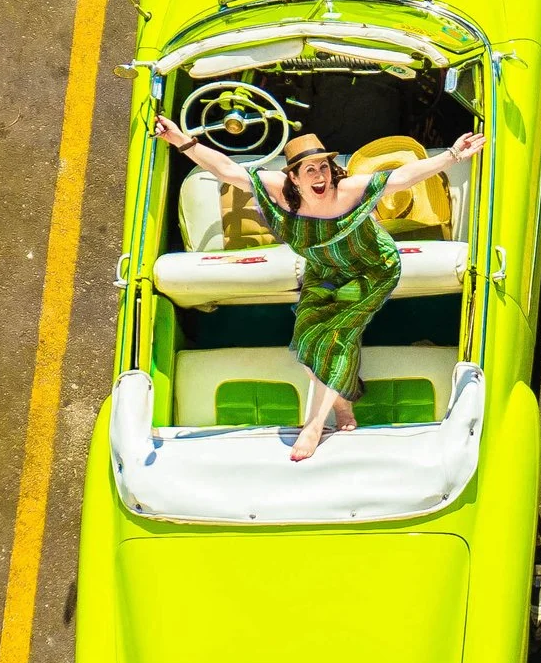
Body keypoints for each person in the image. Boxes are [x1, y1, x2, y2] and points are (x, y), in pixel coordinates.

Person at [153, 121, 483, 460]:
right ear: (293, 177)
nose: (319, 174)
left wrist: (454, 155)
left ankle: (313, 427)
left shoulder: (349, 189)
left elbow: (403, 177)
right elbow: (226, 169)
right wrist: (181, 140)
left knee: (335, 335)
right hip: (324, 273)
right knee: (306, 344)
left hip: (372, 270)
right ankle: (343, 402)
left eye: (323, 166)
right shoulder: (276, 189)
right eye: (310, 169)